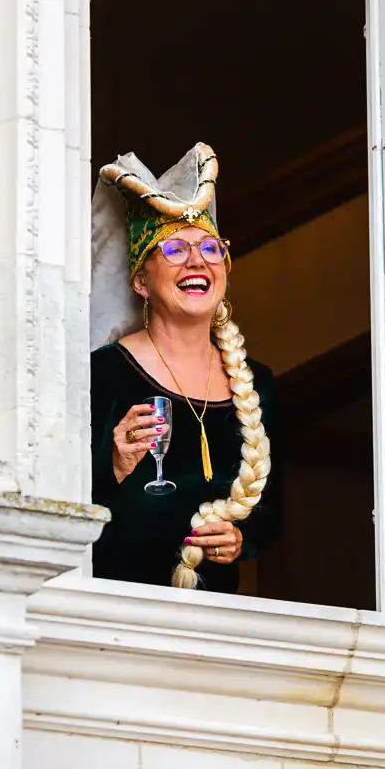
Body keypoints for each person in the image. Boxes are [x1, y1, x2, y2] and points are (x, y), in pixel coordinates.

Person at [89, 142, 279, 591]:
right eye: (174, 249)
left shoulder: (258, 383)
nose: (197, 260)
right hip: (114, 611)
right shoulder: (102, 373)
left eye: (211, 248)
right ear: (140, 281)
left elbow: (273, 515)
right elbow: (62, 500)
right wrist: (114, 462)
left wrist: (239, 538)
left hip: (215, 624)